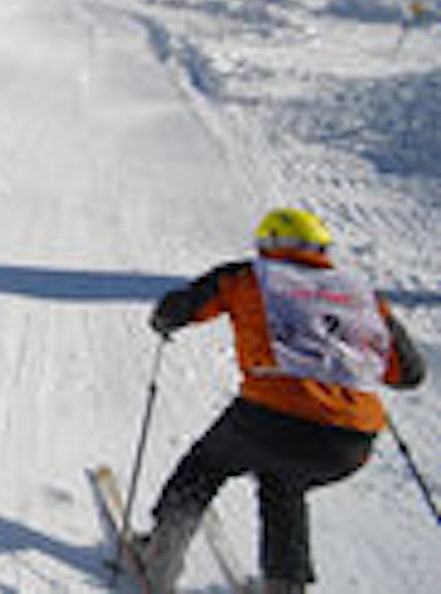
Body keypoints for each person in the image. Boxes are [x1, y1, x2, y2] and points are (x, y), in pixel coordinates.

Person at [137, 208, 426, 594]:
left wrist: (164, 323)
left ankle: (161, 557)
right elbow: (410, 374)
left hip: (269, 418)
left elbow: (176, 310)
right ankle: (284, 586)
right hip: (349, 442)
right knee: (284, 482)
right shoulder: (363, 296)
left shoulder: (250, 276)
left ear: (268, 245)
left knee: (205, 466)